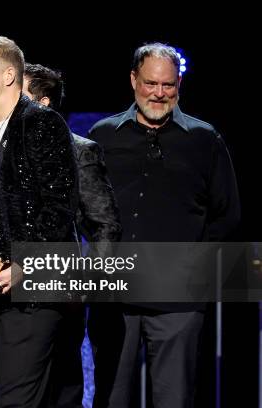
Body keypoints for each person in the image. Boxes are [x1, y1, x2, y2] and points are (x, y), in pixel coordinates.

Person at [88, 42, 240, 407]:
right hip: (113, 295)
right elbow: (83, 207)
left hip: (178, 301)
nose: (159, 93)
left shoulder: (205, 139)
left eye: (168, 85)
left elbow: (227, 215)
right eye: (151, 83)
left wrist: (191, 267)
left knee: (174, 400)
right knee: (111, 398)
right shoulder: (103, 136)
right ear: (133, 80)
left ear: (178, 85)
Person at [0, 33, 81, 406]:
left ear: (9, 75)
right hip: (0, 293)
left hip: (34, 292)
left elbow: (59, 207)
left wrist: (23, 265)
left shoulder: (42, 123)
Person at [23, 62, 124, 408]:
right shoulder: (1, 148)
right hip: (11, 293)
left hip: (59, 294)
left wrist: (88, 287)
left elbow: (105, 226)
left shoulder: (80, 151)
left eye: (17, 95)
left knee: (62, 391)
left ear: (43, 103)